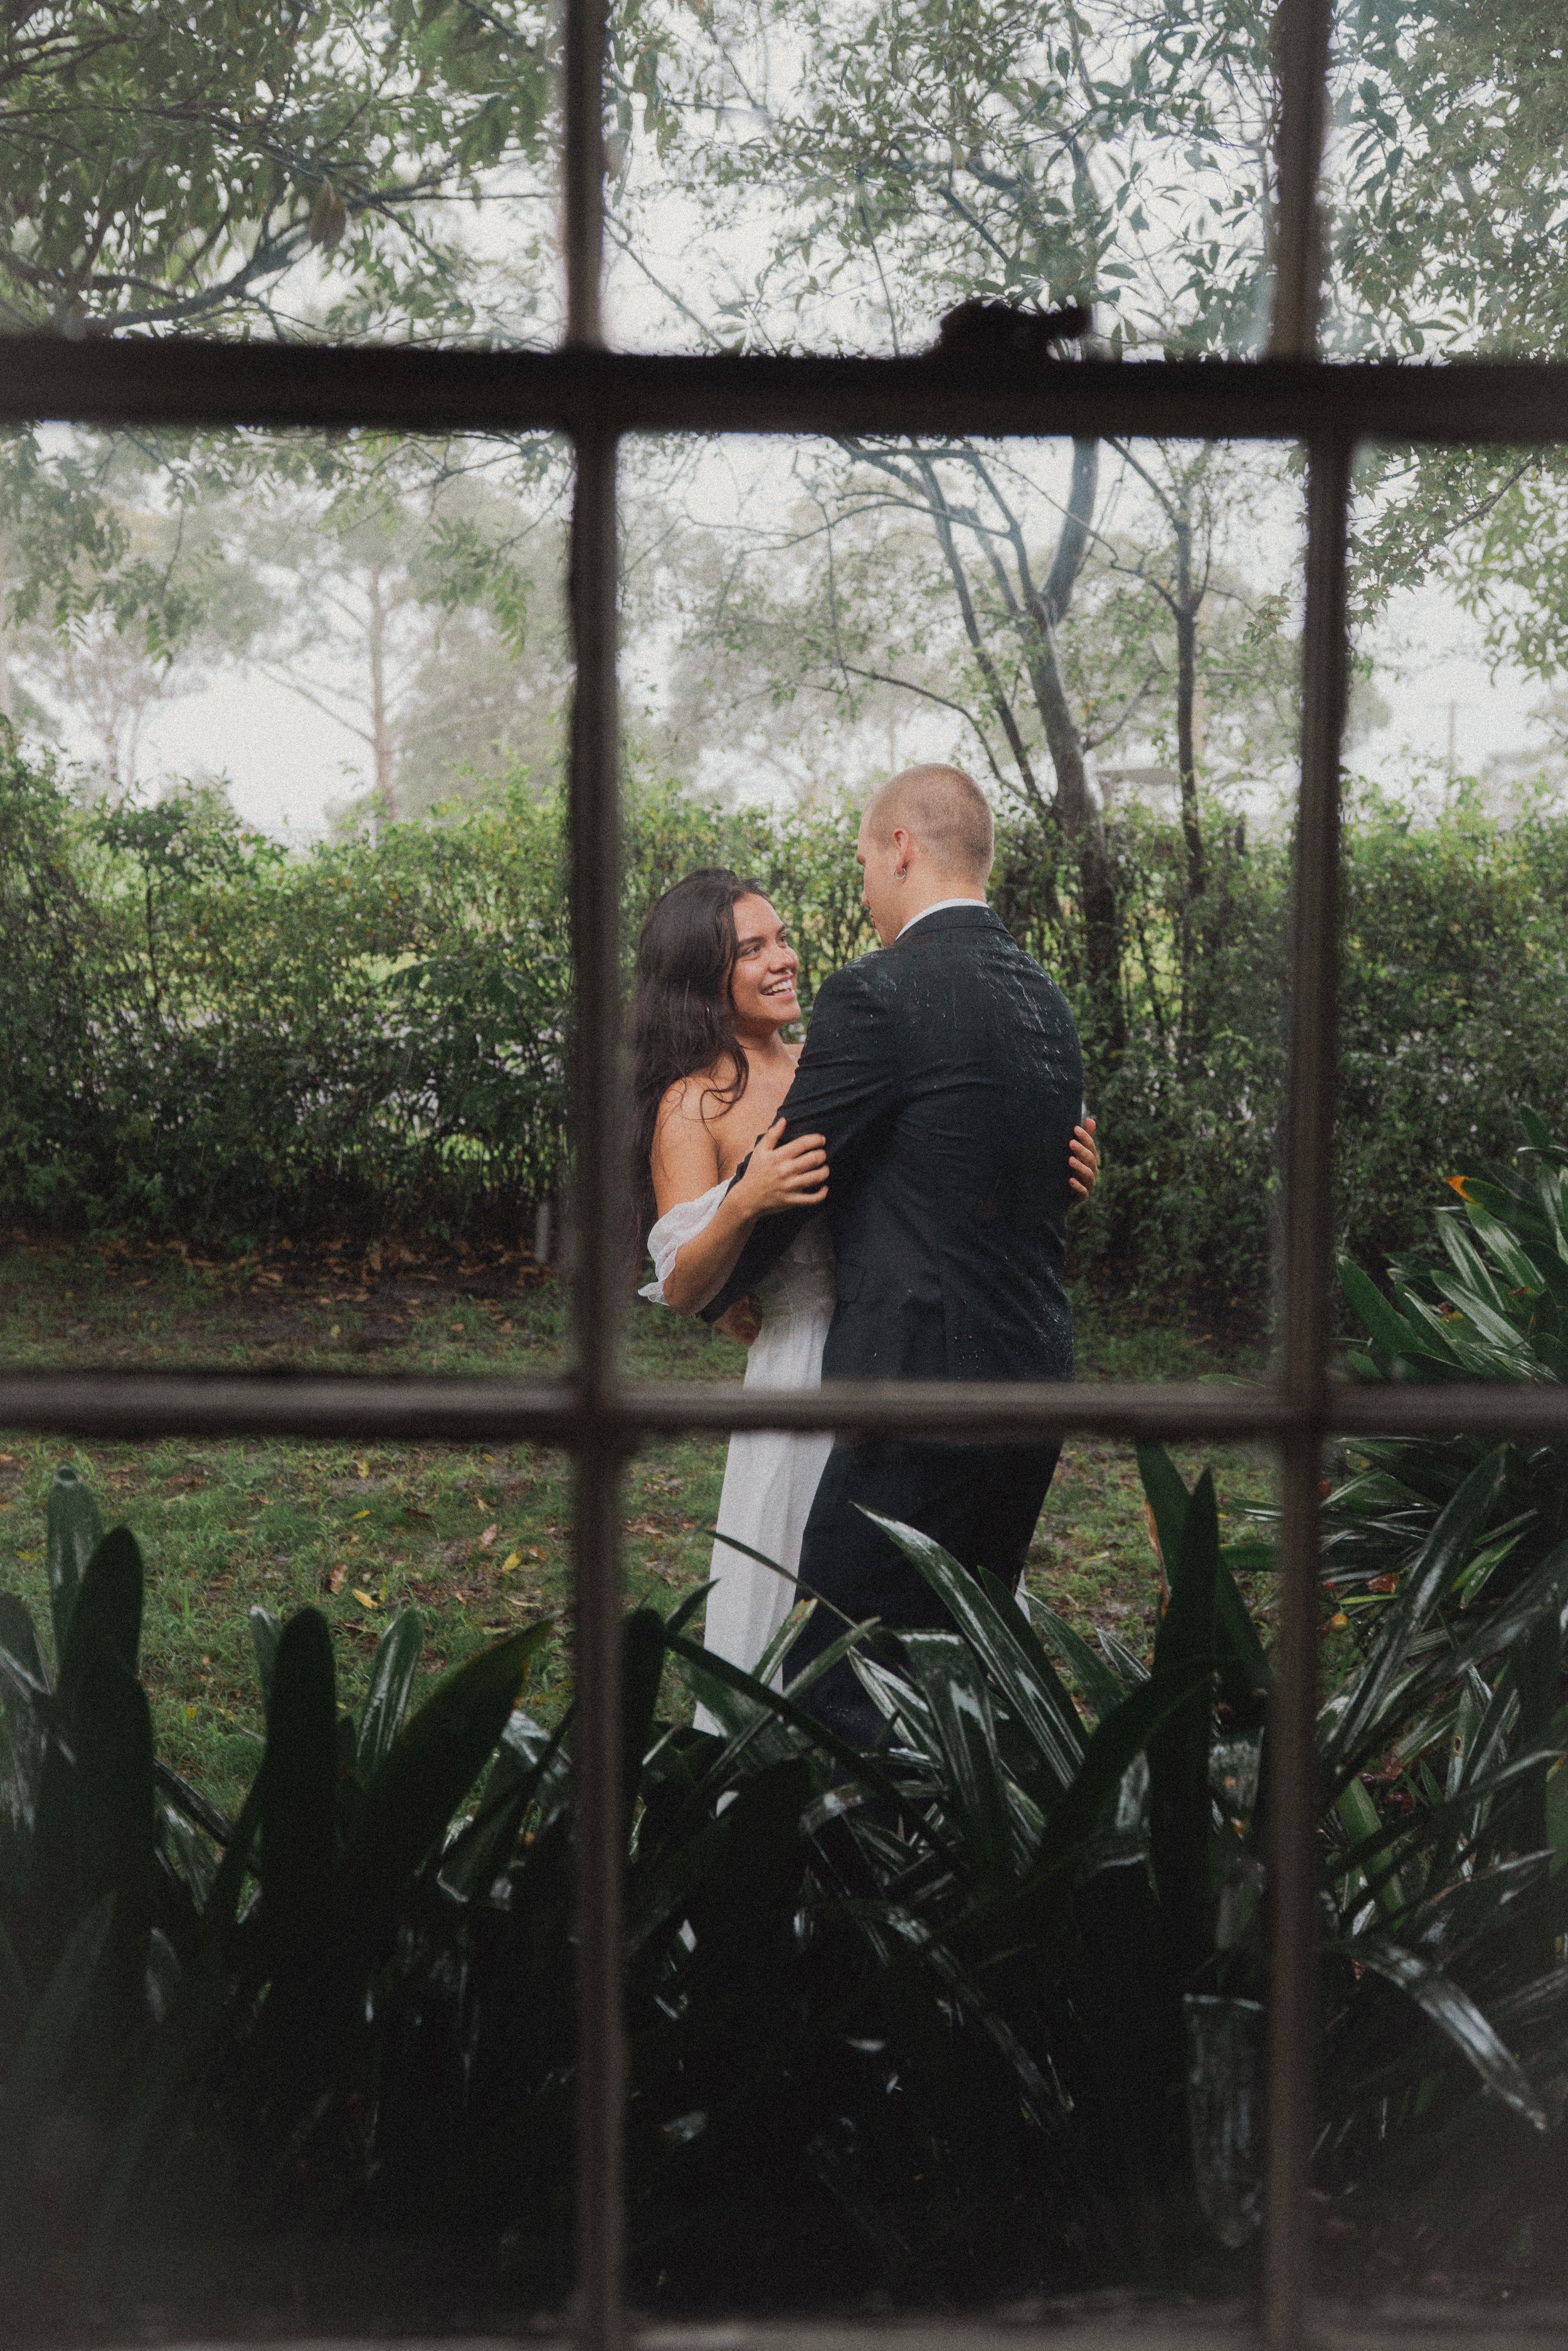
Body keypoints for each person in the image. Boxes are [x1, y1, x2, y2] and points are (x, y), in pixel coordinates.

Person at [632, 808, 1096, 1735]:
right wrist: (746, 1200)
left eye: (784, 937)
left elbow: (935, 1180)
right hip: (804, 1366)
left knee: (885, 1630)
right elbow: (686, 1285)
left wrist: (1056, 1171)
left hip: (892, 1344)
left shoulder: (831, 1055)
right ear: (702, 978)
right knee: (808, 1630)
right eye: (752, 949)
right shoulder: (691, 1104)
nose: (783, 959)